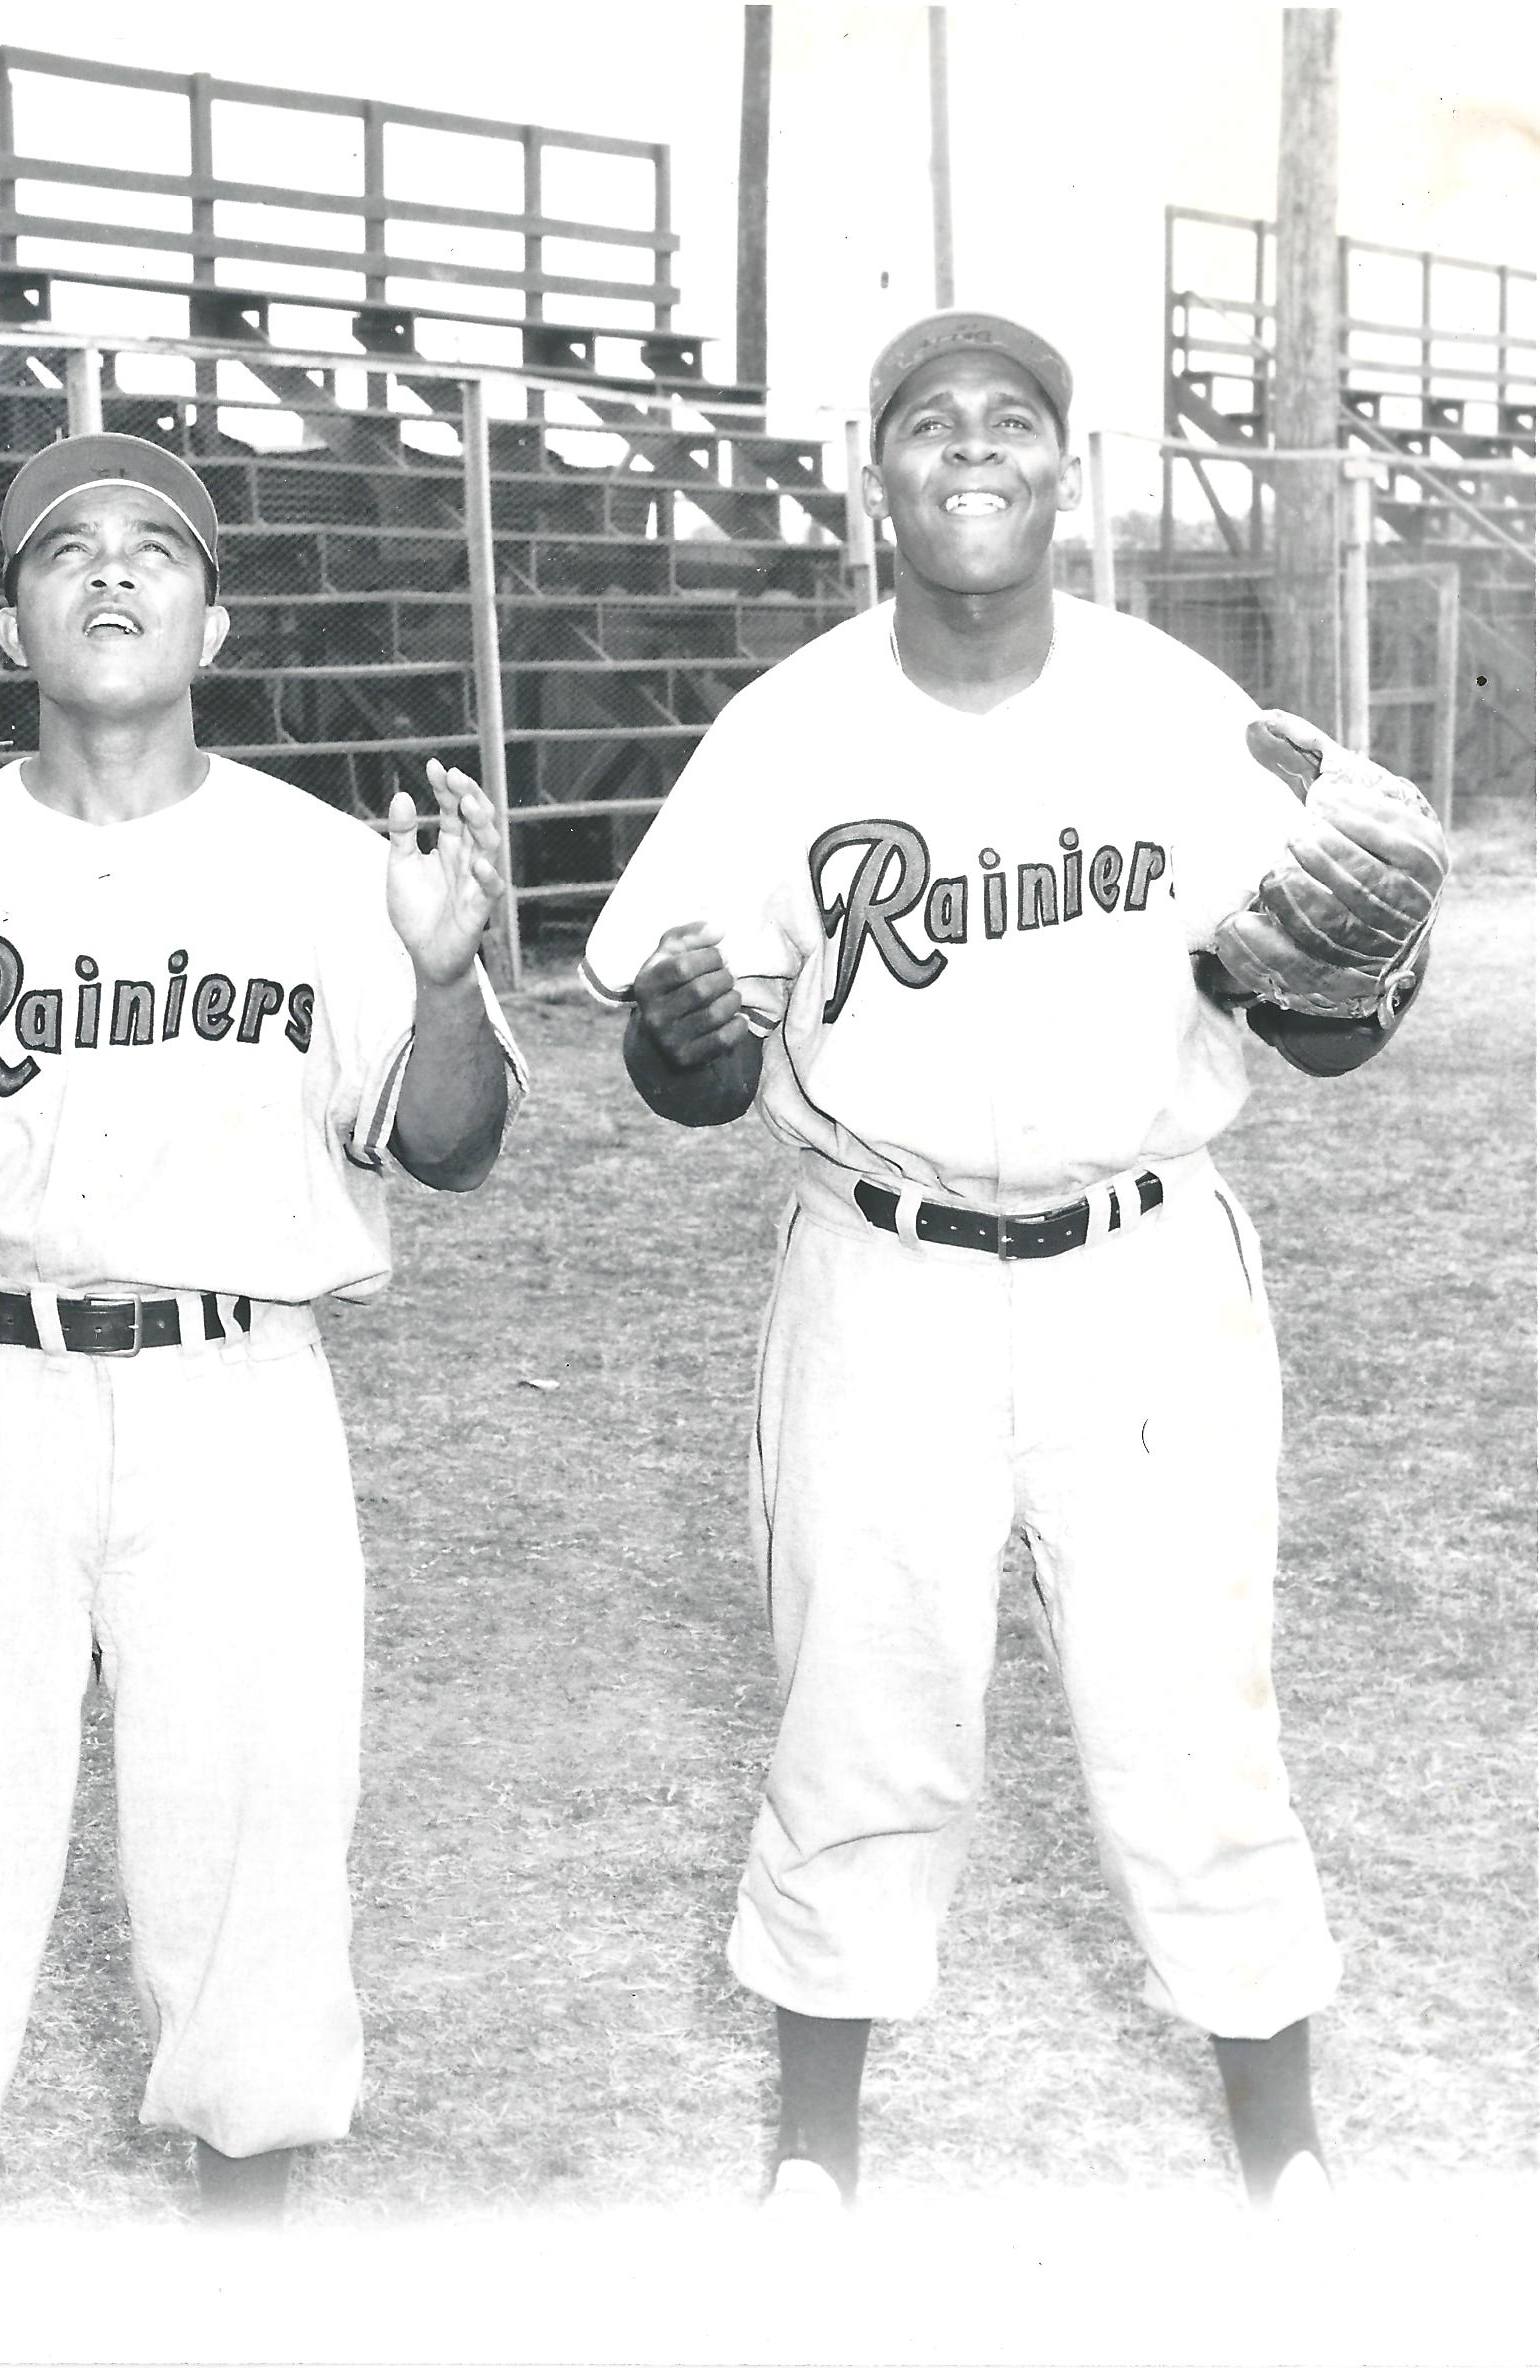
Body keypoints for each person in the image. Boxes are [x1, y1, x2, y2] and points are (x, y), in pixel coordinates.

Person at [580, 310, 1446, 2216]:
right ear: (871, 474)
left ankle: (1287, 2157)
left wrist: (1370, 965)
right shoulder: (787, 729)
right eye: (927, 423)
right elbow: (675, 1055)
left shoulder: (1173, 710)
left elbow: (1312, 1029)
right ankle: (815, 2163)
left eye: (1013, 422)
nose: (972, 449)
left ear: (1068, 470)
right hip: (875, 1273)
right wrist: (693, 1044)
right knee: (859, 1710)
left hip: (1141, 1275)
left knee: (1192, 1721)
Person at [0, 431, 525, 2238]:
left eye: (153, 551)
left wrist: (445, 969)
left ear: (214, 620)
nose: (109, 575)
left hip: (236, 1394)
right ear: (7, 628)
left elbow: (454, 1146)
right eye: (62, 551)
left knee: (253, 1884)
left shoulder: (327, 866)